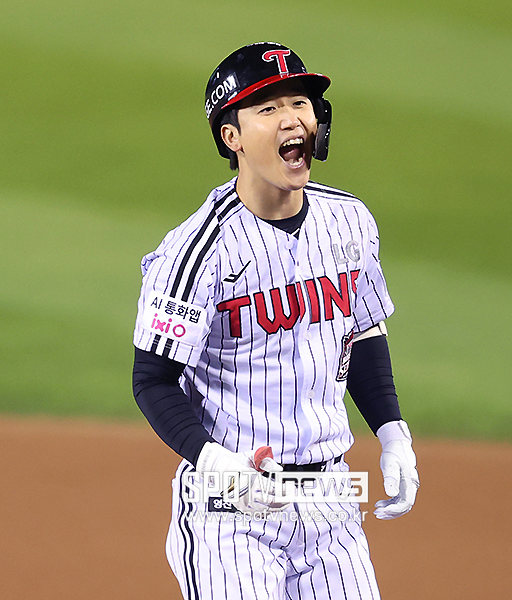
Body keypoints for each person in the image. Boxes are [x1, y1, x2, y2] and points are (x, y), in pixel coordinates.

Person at [132, 41, 419, 599]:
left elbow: (362, 331)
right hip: (230, 510)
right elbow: (153, 379)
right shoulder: (197, 250)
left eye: (300, 103)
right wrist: (217, 464)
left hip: (331, 501)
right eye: (268, 108)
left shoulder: (349, 221)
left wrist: (392, 434)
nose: (291, 119)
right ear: (231, 137)